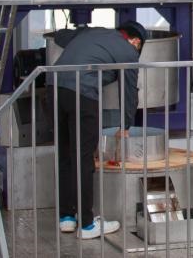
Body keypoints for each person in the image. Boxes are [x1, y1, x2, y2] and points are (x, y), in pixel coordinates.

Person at [47, 21, 147, 239]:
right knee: (84, 158)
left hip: (53, 87)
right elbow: (129, 90)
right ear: (136, 41)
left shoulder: (93, 32)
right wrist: (125, 125)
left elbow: (60, 36)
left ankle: (66, 217)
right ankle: (86, 225)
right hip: (82, 93)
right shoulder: (128, 51)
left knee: (65, 155)